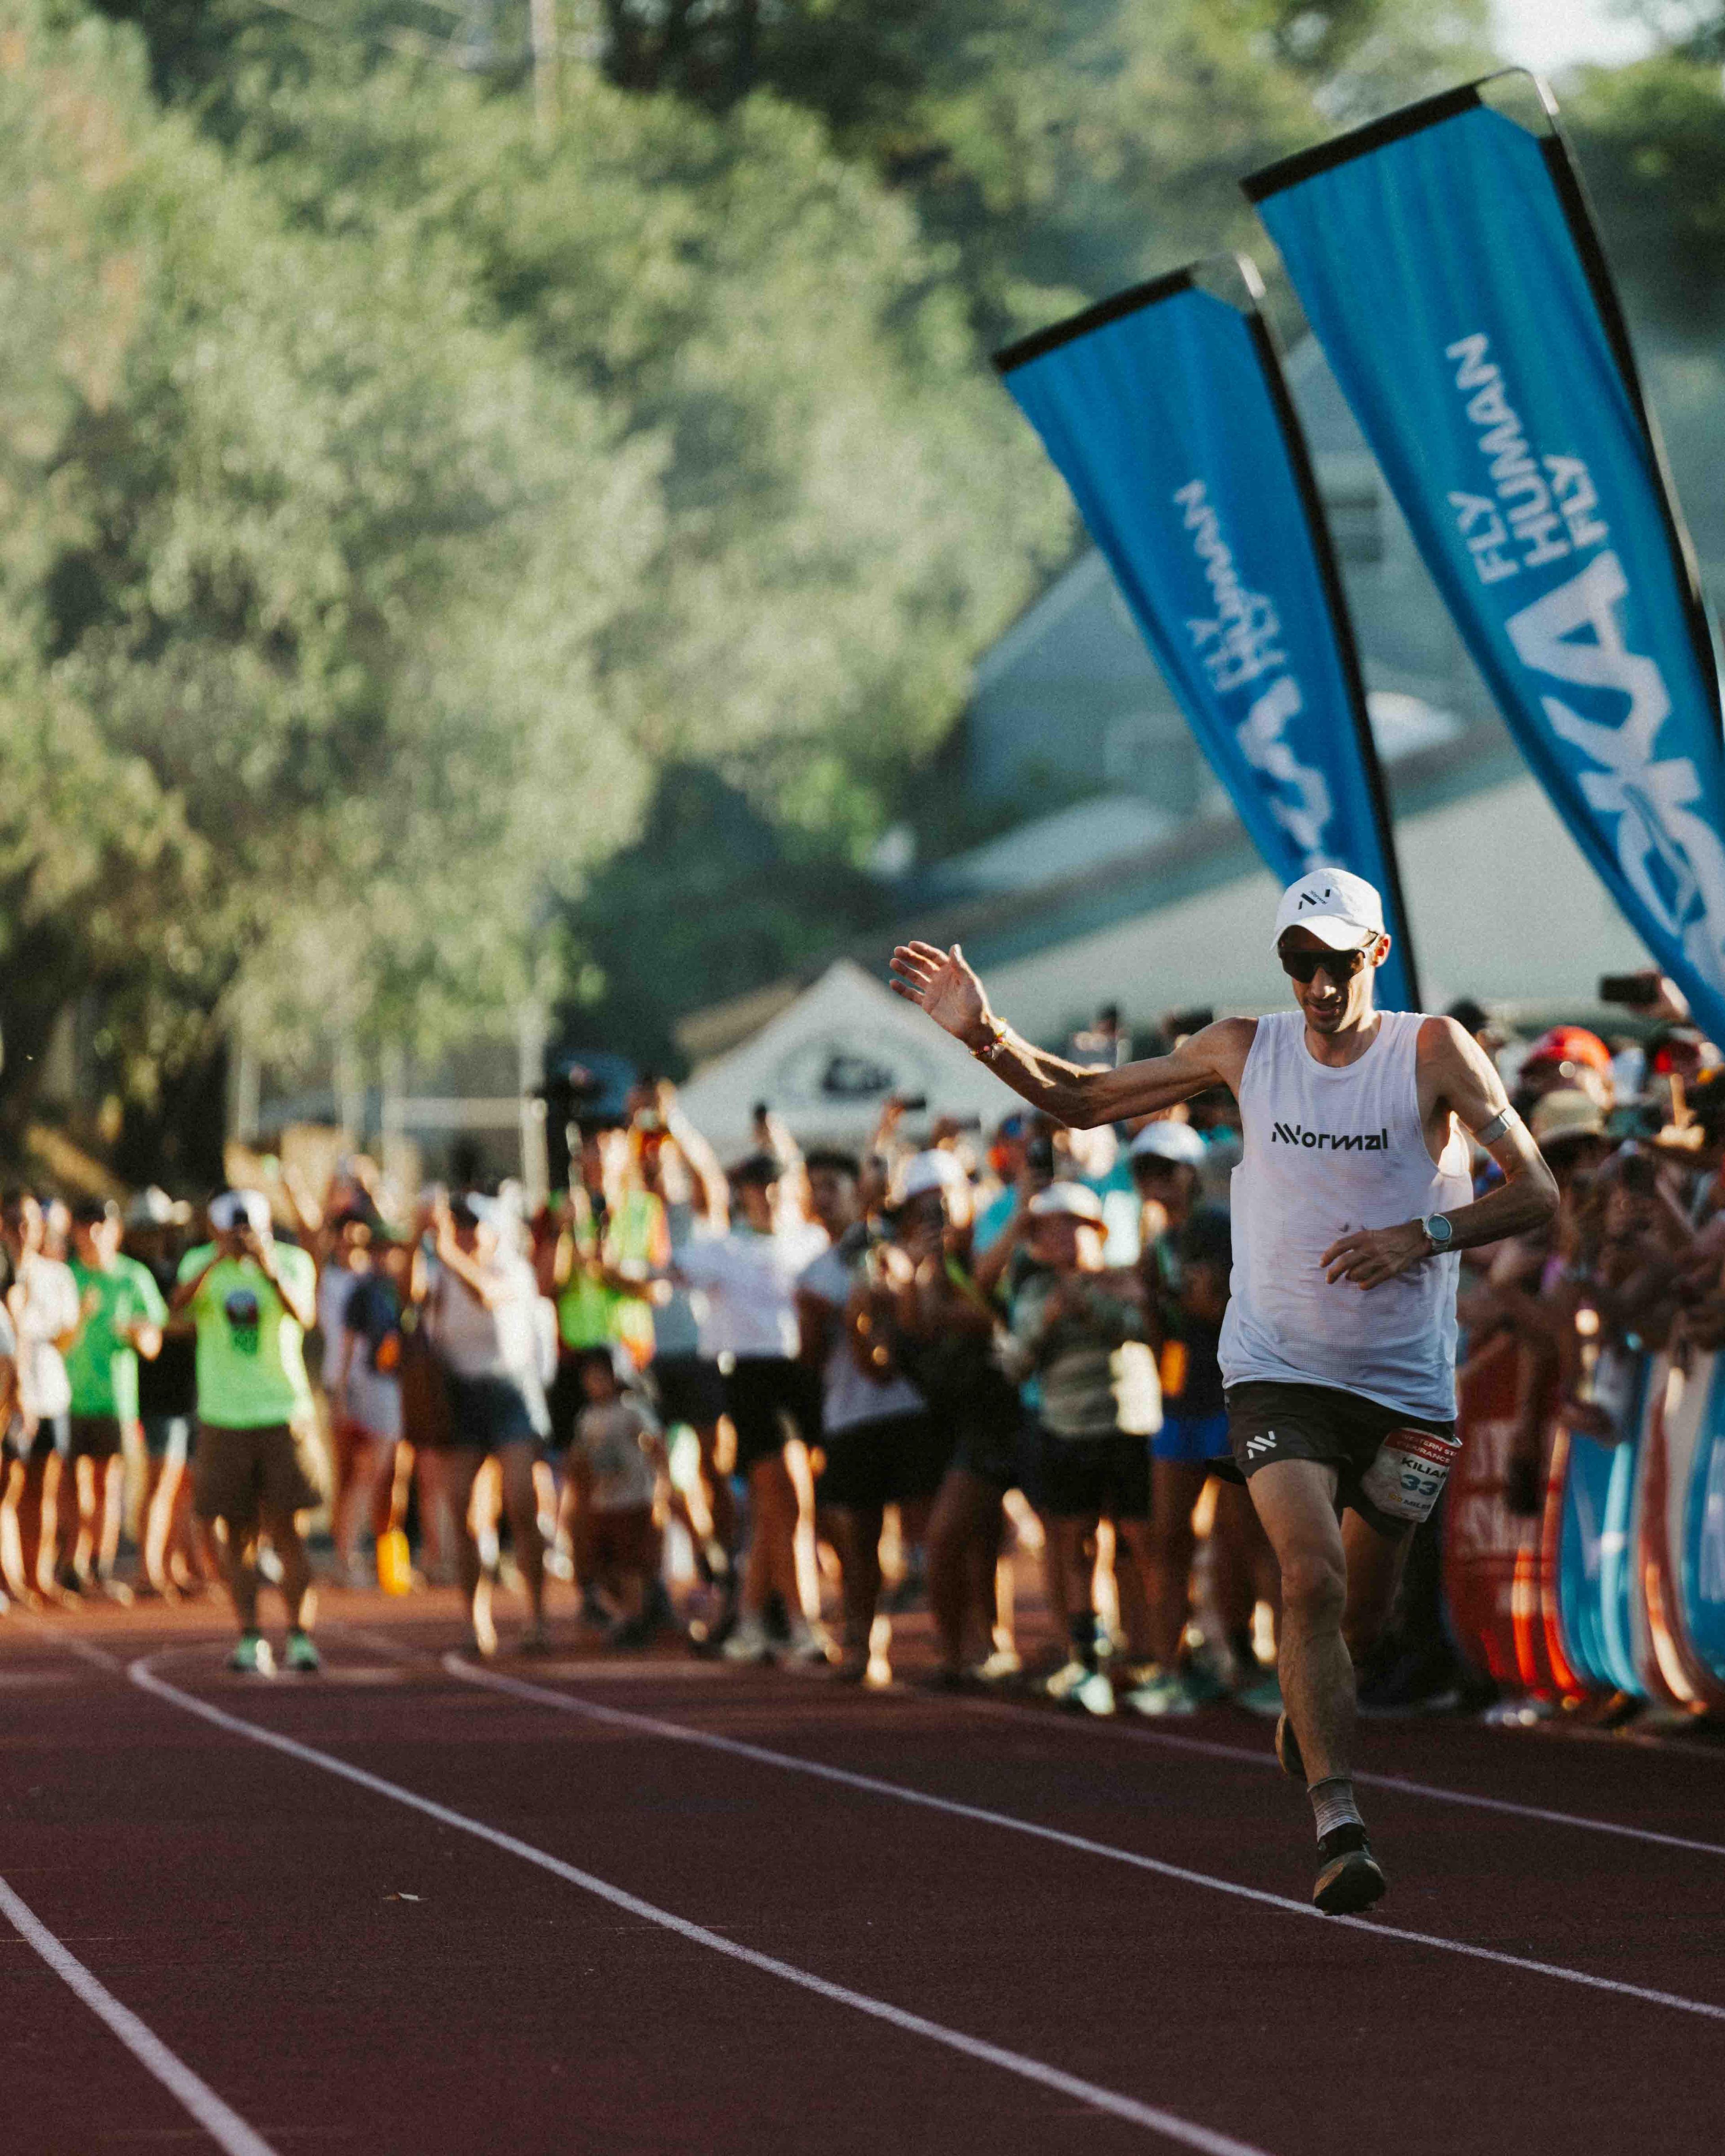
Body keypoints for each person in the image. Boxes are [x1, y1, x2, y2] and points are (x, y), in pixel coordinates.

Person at [890, 865, 1558, 1913]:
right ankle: (1338, 1821)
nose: (1317, 986)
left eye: (1337, 965)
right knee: (1310, 1579)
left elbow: (1537, 1190)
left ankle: (1310, 1701)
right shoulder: (1244, 1047)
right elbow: (1082, 1100)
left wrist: (1421, 1233)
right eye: (1298, 964)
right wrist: (985, 1034)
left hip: (1407, 1385)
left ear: (1376, 956)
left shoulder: (1432, 1050)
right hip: (1276, 1369)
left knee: (1363, 1617)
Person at [1007, 1181, 1161, 1716]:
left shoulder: (1120, 1280)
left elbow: (1145, 1330)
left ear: (1095, 1230)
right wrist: (1050, 1318)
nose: (1061, 1238)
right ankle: (1088, 1659)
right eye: (1050, 1230)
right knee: (1077, 1547)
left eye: (1071, 1226)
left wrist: (1091, 1307)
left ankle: (1153, 1657)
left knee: (1142, 1543)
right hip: (1065, 1432)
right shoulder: (1034, 1293)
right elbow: (1015, 1364)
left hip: (1129, 1428)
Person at [672, 1155, 827, 1666]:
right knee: (791, 1498)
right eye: (760, 1186)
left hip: (805, 1375)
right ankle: (803, 1624)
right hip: (753, 1380)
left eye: (777, 1184)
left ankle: (750, 1622)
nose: (770, 1195)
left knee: (775, 1509)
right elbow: (660, 1272)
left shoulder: (812, 1240)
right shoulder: (723, 1248)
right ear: (744, 1194)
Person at [796, 1151, 940, 1682]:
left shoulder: (898, 1249)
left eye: (832, 1184)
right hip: (849, 1416)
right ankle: (864, 1645)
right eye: (814, 1186)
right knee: (858, 1541)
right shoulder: (814, 1273)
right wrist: (835, 1316)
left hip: (908, 1408)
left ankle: (954, 1644)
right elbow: (810, 1359)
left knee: (929, 1537)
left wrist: (888, 1293)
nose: (823, 1196)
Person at [173, 1189, 323, 1673]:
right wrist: (218, 1260)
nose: (241, 1236)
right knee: (237, 1534)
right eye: (232, 1229)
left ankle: (299, 1636)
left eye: (248, 1228)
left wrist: (268, 1267)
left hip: (283, 1413)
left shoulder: (293, 1261)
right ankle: (250, 1636)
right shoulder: (201, 1262)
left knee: (290, 1531)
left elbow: (305, 1316)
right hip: (224, 1416)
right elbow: (177, 1308)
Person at [424, 1194, 553, 1656]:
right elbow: (409, 1302)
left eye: (472, 1225)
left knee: (522, 1502)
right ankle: (475, 1621)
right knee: (462, 1511)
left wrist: (448, 1255)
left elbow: (486, 1295)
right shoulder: (441, 1273)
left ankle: (537, 1616)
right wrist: (418, 1235)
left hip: (509, 1392)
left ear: (495, 1232)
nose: (463, 1234)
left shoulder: (513, 1270)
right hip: (461, 1395)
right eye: (456, 1225)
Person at [65, 1198, 167, 1599]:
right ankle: (71, 1563)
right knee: (72, 1488)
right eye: (85, 1224)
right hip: (67, 1399)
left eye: (101, 1225)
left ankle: (100, 1568)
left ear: (115, 1231)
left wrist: (140, 1336)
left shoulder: (133, 1277)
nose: (92, 1233)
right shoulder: (66, 1275)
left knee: (108, 1486)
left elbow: (154, 1340)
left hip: (116, 1401)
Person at [0, 1191, 84, 1604]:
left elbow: (67, 1335)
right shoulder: (4, 1273)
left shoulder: (57, 1275)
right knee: (8, 1487)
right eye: (16, 1221)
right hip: (9, 1397)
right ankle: (9, 1578)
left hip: (49, 1393)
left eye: (31, 1222)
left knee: (44, 1489)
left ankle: (38, 1575)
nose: (24, 1230)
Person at [566, 1346, 667, 1644]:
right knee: (602, 1564)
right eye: (590, 1377)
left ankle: (635, 1618)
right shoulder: (587, 1417)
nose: (595, 1383)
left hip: (633, 1499)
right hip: (603, 1502)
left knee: (631, 1563)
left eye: (601, 1376)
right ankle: (632, 1610)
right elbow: (579, 1459)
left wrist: (663, 1483)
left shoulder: (631, 1411)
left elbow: (656, 1442)